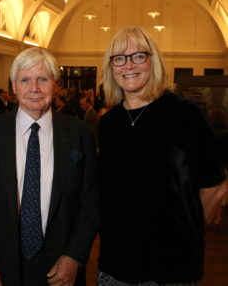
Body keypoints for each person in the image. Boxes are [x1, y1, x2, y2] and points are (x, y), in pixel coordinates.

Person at [97, 26, 227, 286]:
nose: (128, 65)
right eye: (119, 58)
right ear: (111, 67)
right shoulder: (109, 122)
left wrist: (187, 232)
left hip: (171, 267)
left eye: (138, 56)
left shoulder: (185, 115)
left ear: (153, 61)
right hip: (115, 264)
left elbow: (215, 187)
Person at [0, 47, 100, 286]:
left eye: (43, 79)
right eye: (25, 80)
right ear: (14, 87)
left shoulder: (80, 134)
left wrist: (74, 256)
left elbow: (90, 202)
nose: (34, 88)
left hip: (61, 267)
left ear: (56, 85)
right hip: (1, 267)